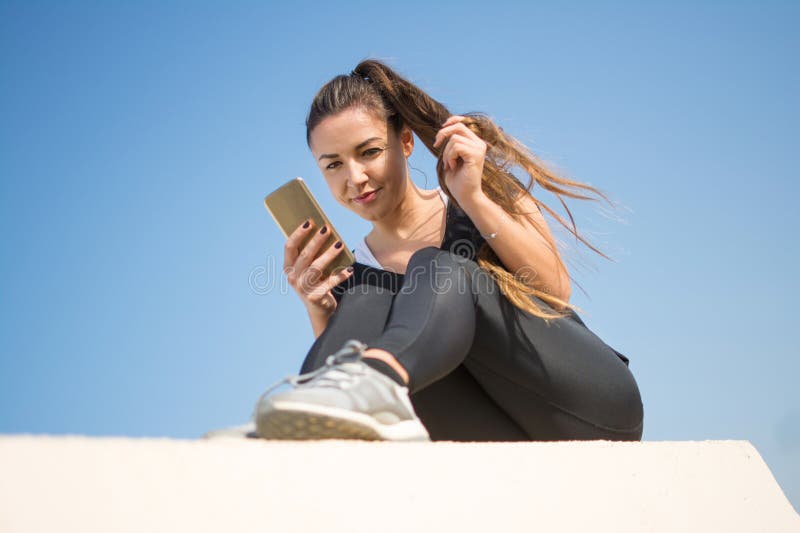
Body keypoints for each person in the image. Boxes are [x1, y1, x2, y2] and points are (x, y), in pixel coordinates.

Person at [205, 58, 643, 442]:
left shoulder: (475, 191)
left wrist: (473, 198)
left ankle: (376, 378)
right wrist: (319, 309)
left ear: (406, 143)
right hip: (496, 437)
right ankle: (280, 432)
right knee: (363, 296)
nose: (354, 178)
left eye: (369, 152)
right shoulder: (354, 280)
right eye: (334, 164)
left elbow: (554, 289)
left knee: (436, 266)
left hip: (588, 406)